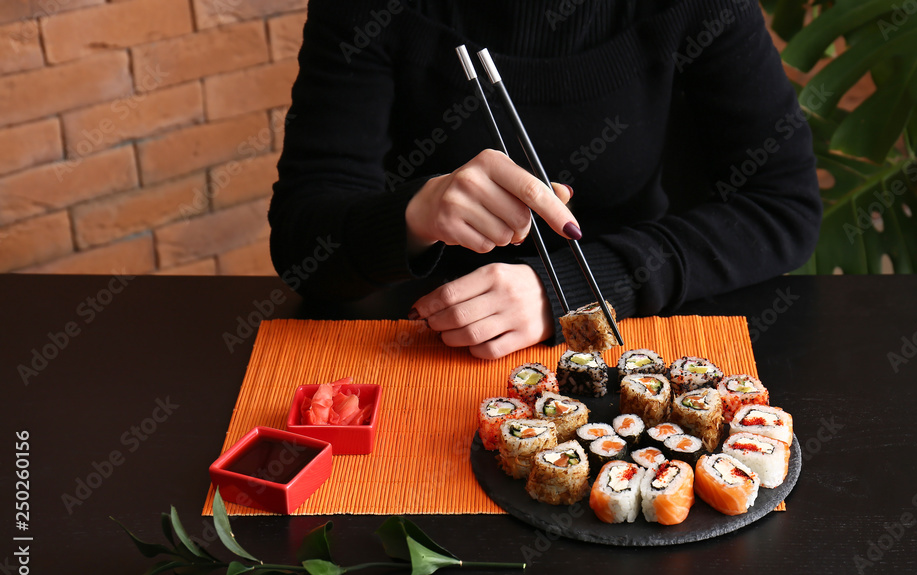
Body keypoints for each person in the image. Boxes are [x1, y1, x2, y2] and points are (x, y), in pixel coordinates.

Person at [268, 0, 822, 359]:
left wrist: (575, 290)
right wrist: (416, 213)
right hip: (422, 345)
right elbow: (302, 242)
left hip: (636, 328)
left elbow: (782, 205)